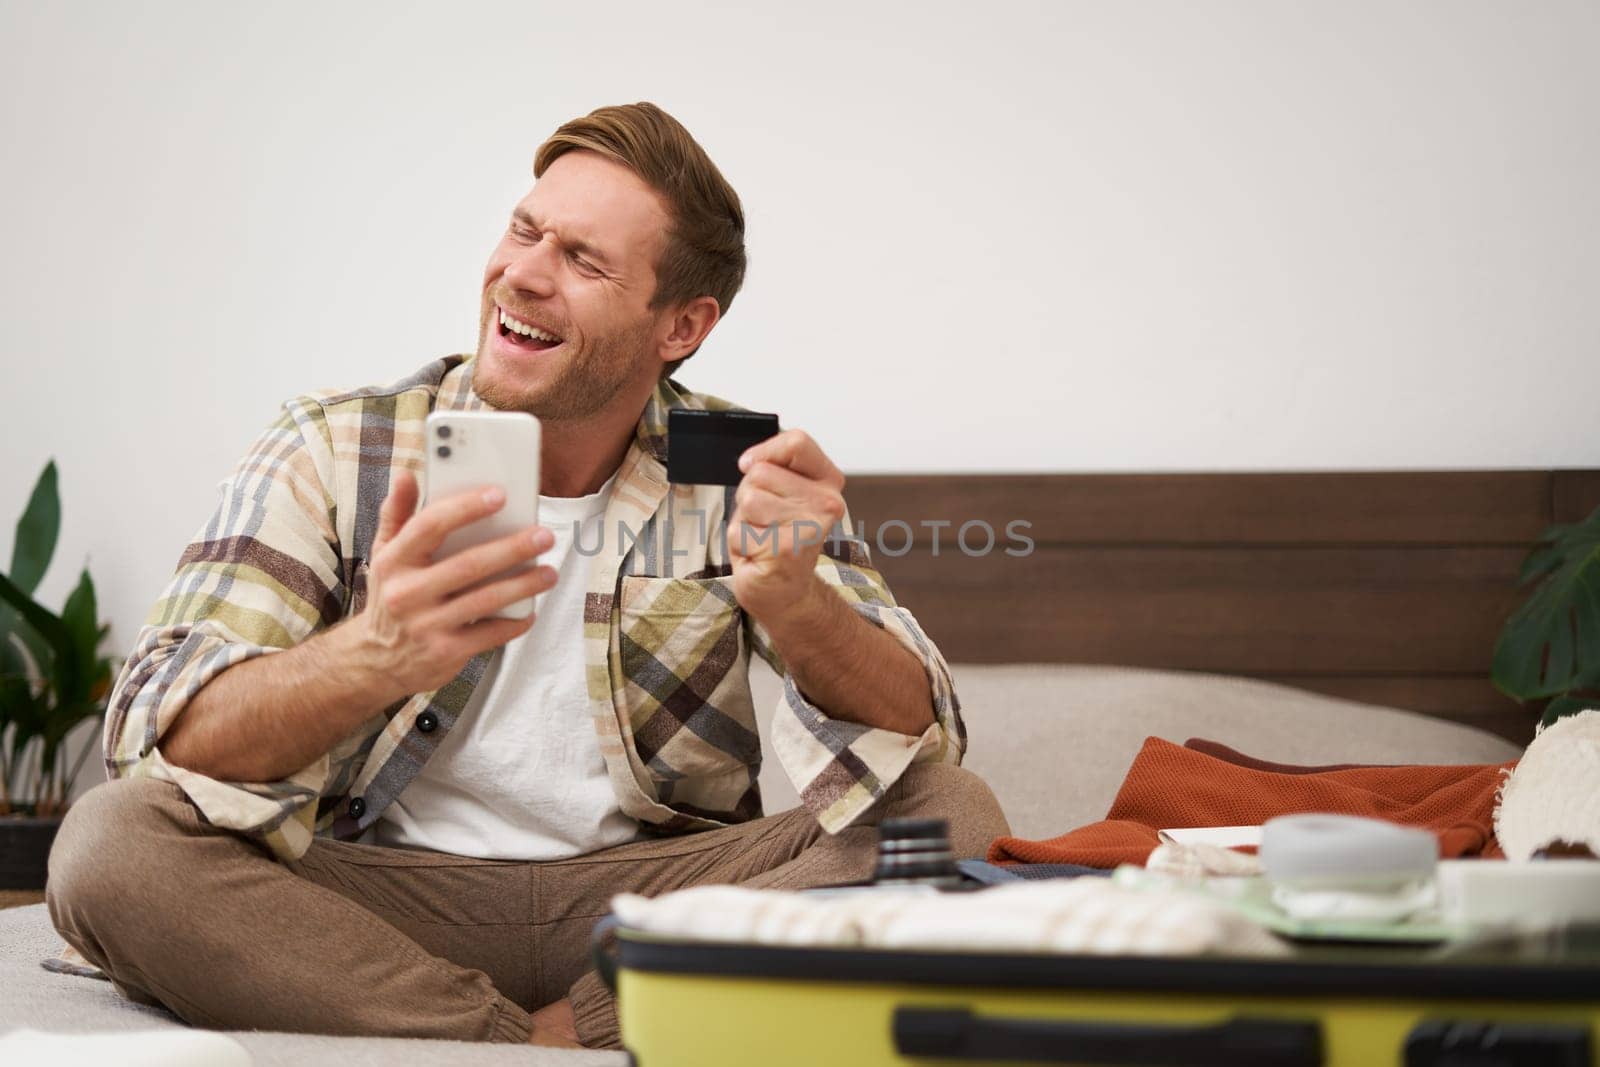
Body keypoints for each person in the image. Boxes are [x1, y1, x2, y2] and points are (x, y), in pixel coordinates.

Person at [44, 101, 1008, 1050]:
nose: (523, 275)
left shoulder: (737, 470)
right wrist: (374, 653)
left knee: (951, 817)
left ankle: (580, 1017)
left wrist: (800, 607)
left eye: (584, 260)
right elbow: (159, 738)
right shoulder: (336, 446)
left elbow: (923, 732)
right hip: (377, 899)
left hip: (655, 900)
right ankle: (520, 1040)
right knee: (111, 843)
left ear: (680, 325)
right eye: (524, 231)